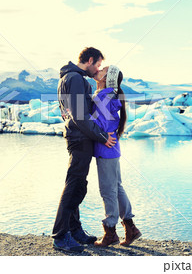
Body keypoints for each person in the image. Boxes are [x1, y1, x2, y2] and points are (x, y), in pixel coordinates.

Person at [52, 47, 117, 253]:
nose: (98, 69)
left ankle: (74, 229)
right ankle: (60, 235)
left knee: (78, 183)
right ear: (90, 60)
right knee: (74, 184)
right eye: (98, 64)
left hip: (77, 137)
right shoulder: (77, 79)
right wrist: (102, 136)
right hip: (80, 138)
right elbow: (80, 115)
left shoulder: (68, 77)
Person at [91, 65, 142, 247]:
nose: (99, 70)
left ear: (108, 78)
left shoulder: (104, 96)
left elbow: (101, 125)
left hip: (106, 149)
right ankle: (131, 228)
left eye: (103, 70)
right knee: (116, 188)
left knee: (108, 190)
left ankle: (111, 231)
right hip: (111, 149)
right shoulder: (109, 95)